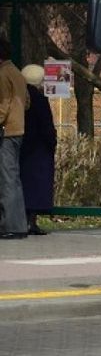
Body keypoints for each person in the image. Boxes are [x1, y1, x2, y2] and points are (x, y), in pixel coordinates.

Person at [19, 65, 55, 235]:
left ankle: (24, 219)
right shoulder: (39, 99)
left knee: (25, 183)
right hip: (39, 148)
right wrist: (52, 141)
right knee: (37, 186)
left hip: (24, 145)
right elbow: (46, 125)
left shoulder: (21, 96)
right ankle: (31, 221)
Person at [0, 38, 28, 239]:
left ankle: (11, 226)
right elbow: (26, 102)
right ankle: (18, 223)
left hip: (6, 131)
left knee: (7, 180)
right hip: (18, 130)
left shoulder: (2, 74)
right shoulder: (17, 72)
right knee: (14, 179)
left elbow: (3, 105)